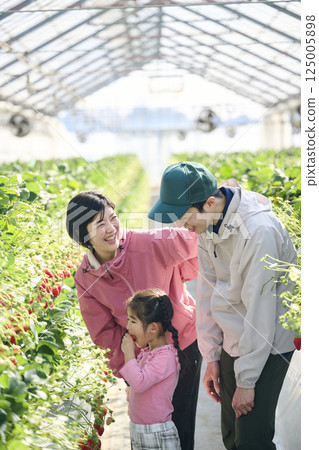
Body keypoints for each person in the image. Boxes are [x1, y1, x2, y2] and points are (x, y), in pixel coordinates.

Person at [148, 161, 297, 450]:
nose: (182, 225)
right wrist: (212, 356)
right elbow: (207, 292)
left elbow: (261, 311)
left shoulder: (258, 233)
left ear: (210, 202)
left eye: (184, 216)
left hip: (266, 343)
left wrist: (247, 381)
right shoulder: (207, 227)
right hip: (234, 339)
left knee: (252, 439)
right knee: (231, 436)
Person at [66, 190, 202, 450]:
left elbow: (196, 243)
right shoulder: (86, 277)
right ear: (83, 235)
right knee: (148, 428)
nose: (111, 228)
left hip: (183, 343)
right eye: (100, 223)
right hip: (143, 361)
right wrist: (129, 371)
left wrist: (180, 276)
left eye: (113, 218)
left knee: (180, 426)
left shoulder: (149, 242)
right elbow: (104, 333)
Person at [120, 289, 182, 450]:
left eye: (133, 321)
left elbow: (139, 383)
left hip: (156, 433)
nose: (128, 326)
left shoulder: (165, 357)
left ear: (153, 327)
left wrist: (128, 352)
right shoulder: (148, 353)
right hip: (139, 430)